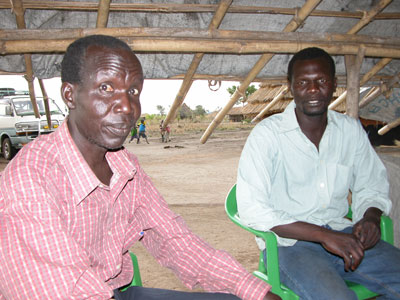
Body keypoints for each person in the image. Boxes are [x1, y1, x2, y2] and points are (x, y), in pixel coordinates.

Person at [0, 35, 280, 300]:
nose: (126, 105)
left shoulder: (124, 166)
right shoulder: (31, 178)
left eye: (133, 91)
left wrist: (256, 292)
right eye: (106, 88)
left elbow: (175, 241)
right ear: (70, 95)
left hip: (115, 292)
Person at [236, 47, 400, 300]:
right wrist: (323, 235)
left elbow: (371, 183)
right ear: (290, 87)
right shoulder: (267, 135)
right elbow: (253, 209)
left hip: (345, 235)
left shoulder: (349, 130)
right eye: (303, 82)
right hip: (289, 246)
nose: (313, 90)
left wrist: (370, 217)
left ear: (334, 84)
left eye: (321, 81)